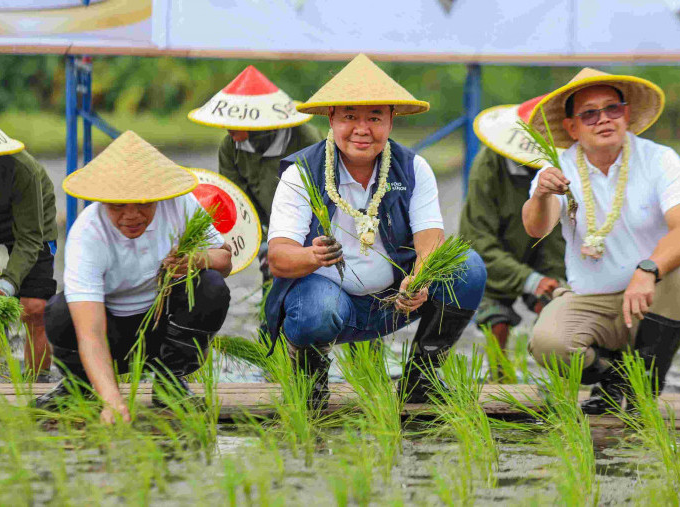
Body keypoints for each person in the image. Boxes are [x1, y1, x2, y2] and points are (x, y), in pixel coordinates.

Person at [264, 54, 486, 407]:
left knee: (467, 266)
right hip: (327, 301)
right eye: (350, 116)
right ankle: (311, 384)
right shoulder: (301, 172)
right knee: (316, 310)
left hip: (393, 301)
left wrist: (421, 279)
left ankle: (422, 379)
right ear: (332, 118)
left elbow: (431, 241)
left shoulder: (414, 168)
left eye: (375, 117)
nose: (362, 129)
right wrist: (312, 256)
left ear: (392, 120)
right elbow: (278, 258)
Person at [522, 68, 680, 414]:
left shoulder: (660, 159)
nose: (603, 119)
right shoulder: (557, 166)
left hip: (653, 296)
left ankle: (642, 392)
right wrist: (542, 193)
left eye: (612, 109)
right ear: (572, 127)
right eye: (589, 113)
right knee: (549, 343)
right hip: (593, 300)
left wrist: (647, 269)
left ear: (627, 114)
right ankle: (613, 375)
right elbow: (536, 227)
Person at [36, 131, 232, 424]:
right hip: (110, 331)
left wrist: (195, 260)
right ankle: (80, 385)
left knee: (212, 286)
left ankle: (169, 383)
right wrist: (113, 402)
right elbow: (89, 332)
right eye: (118, 206)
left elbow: (225, 260)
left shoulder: (180, 205)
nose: (132, 215)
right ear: (103, 201)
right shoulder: (87, 233)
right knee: (60, 310)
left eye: (143, 203)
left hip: (161, 328)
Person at [188, 65, 322, 282]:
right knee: (271, 276)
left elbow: (323, 193)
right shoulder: (230, 147)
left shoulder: (305, 140)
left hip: (307, 222)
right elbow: (237, 200)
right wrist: (263, 245)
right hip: (268, 223)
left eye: (236, 124)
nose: (228, 129)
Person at [460, 95, 565, 354]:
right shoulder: (488, 165)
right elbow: (478, 240)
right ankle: (500, 374)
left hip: (536, 254)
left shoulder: (557, 168)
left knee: (557, 304)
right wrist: (527, 279)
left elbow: (555, 237)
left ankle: (558, 376)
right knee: (497, 319)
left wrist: (551, 280)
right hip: (493, 261)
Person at [0, 122, 57, 380]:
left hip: (33, 222)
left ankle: (37, 383)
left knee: (34, 307)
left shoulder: (23, 169)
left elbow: (30, 238)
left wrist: (7, 286)